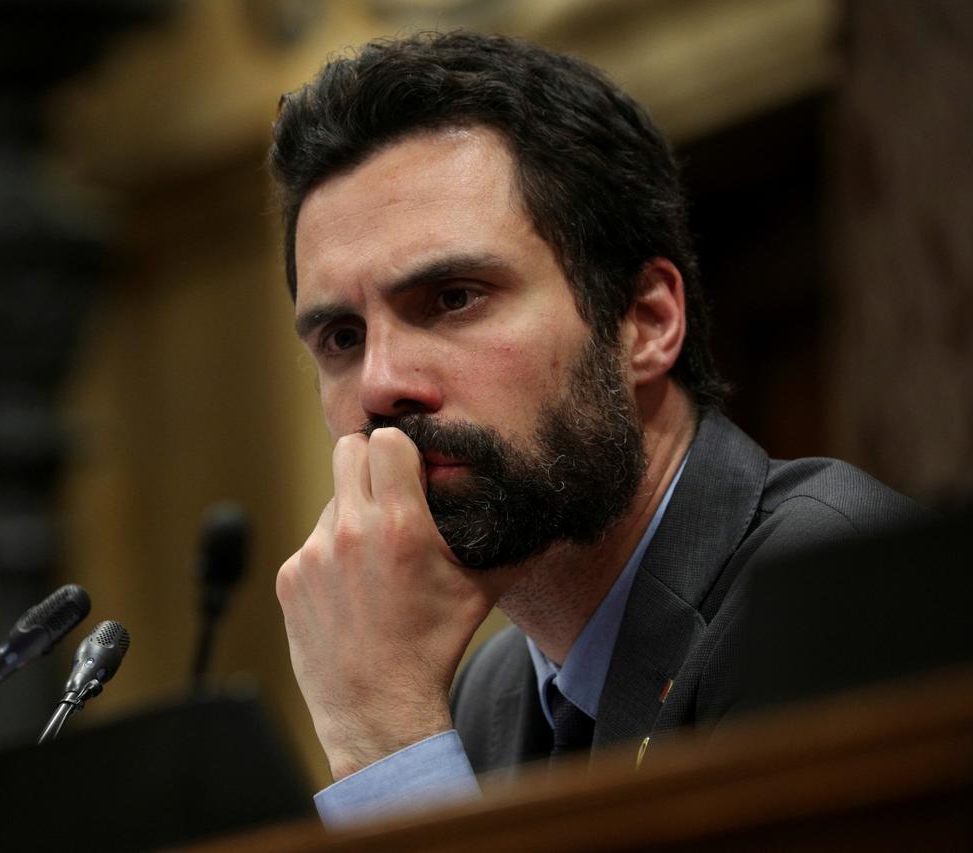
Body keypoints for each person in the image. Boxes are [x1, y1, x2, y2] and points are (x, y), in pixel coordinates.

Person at [267, 31, 922, 826]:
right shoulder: (493, 692)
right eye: (341, 337)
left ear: (646, 322)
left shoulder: (828, 593)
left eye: (453, 298)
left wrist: (387, 747)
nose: (379, 386)